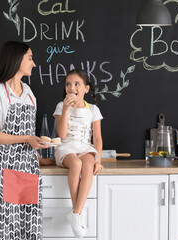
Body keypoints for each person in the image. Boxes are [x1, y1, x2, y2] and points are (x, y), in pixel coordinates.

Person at [0, 41, 52, 240]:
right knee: (4, 232)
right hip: (4, 171)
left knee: (29, 231)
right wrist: (27, 139)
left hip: (28, 170)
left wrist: (39, 155)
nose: (34, 63)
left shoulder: (29, 93)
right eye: (30, 58)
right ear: (17, 59)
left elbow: (28, 135)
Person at [53, 69, 104, 238]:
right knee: (76, 164)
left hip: (85, 147)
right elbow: (61, 135)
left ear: (86, 89)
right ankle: (78, 214)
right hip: (66, 148)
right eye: (68, 84)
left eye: (76, 84)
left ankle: (76, 212)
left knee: (87, 164)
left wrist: (98, 159)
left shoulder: (93, 109)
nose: (71, 87)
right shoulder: (61, 106)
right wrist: (66, 109)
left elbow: (97, 138)